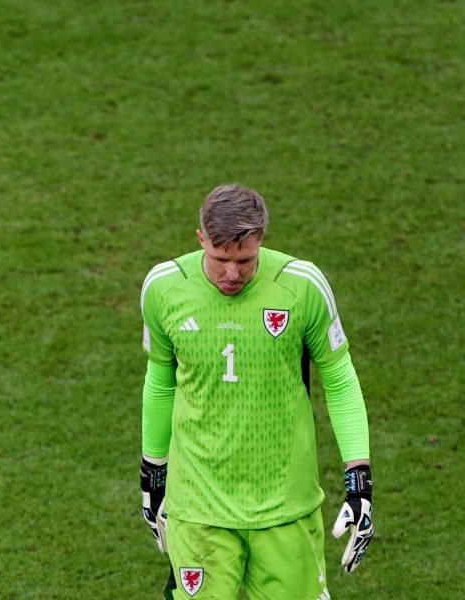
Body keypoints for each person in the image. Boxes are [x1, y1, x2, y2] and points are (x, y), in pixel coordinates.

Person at [138, 184, 373, 599]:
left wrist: (359, 480)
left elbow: (339, 378)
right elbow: (160, 379)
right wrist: (152, 474)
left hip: (284, 507)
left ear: (262, 239)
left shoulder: (302, 286)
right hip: (198, 508)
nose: (232, 274)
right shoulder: (164, 288)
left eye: (244, 261)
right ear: (200, 239)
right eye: (220, 259)